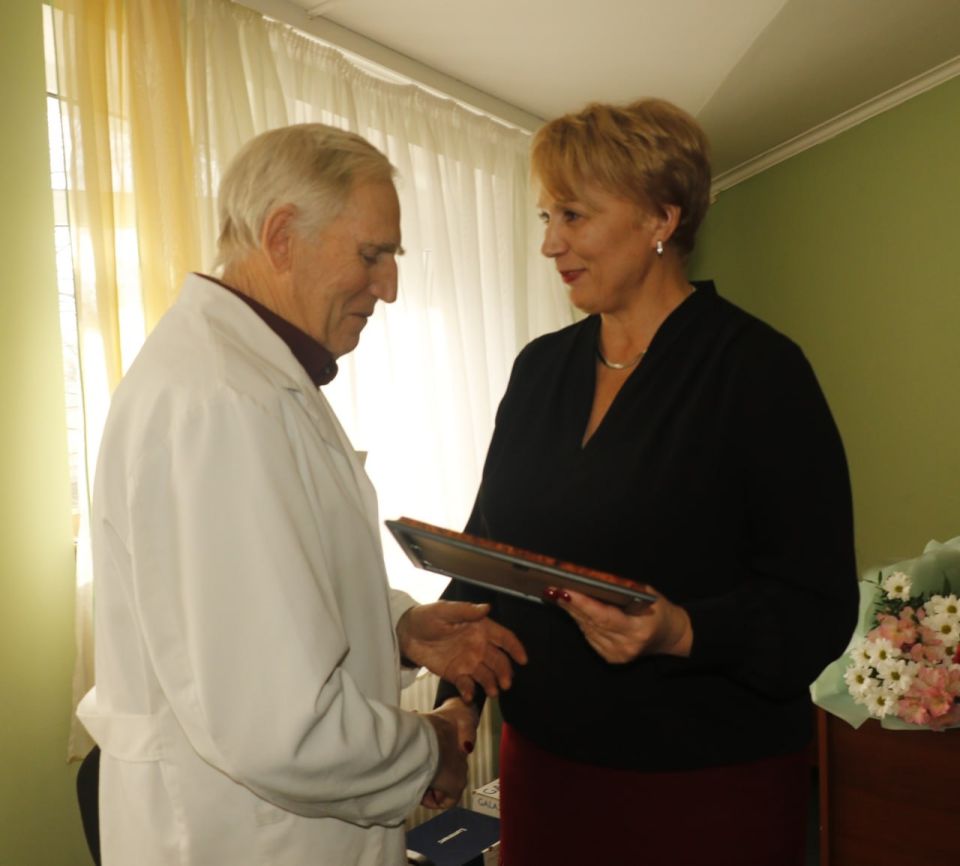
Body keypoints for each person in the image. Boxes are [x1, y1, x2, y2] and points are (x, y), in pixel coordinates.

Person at [77, 123, 527, 866]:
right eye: (372, 255)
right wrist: (431, 747)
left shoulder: (254, 377)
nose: (389, 287)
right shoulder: (221, 401)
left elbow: (277, 584)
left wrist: (399, 627)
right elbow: (282, 725)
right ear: (282, 236)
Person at [437, 98, 859, 865]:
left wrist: (681, 631)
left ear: (661, 218)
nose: (550, 243)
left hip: (704, 788)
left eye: (573, 215)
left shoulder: (759, 371)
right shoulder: (539, 370)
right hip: (544, 777)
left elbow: (817, 606)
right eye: (546, 216)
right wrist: (456, 703)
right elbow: (489, 553)